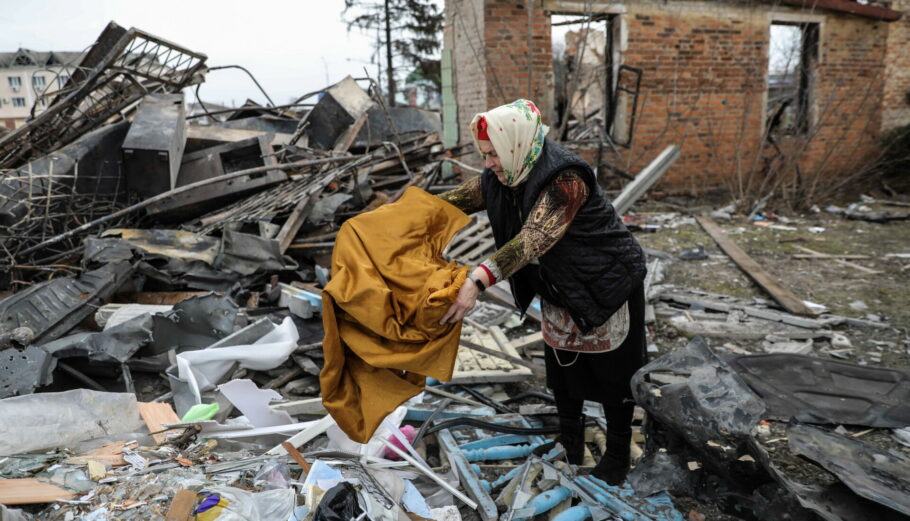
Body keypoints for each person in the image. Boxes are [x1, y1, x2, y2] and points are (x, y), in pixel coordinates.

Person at [436, 99, 647, 485]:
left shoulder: (566, 179)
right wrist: (402, 215)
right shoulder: (504, 174)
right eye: (484, 156)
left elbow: (534, 238)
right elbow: (450, 203)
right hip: (561, 286)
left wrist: (476, 280)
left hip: (605, 283)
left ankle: (617, 456)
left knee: (614, 377)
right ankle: (570, 444)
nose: (488, 164)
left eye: (492, 155)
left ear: (513, 144)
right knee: (563, 373)